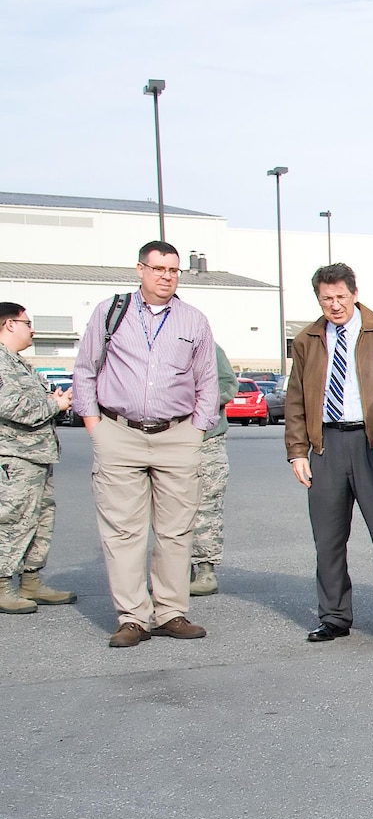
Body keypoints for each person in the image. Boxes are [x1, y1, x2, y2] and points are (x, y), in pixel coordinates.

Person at [71, 240, 219, 648]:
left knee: (175, 530)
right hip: (119, 433)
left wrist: (196, 430)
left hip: (177, 435)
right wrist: (95, 426)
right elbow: (86, 370)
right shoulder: (110, 312)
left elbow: (207, 381)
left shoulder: (193, 320)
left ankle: (171, 612)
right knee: (123, 531)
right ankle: (133, 617)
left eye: (173, 270)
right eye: (158, 269)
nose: (166, 277)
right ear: (141, 270)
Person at [286, 263, 373, 645]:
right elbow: (296, 399)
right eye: (326, 298)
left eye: (340, 297)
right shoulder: (306, 340)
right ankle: (333, 616)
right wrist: (297, 451)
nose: (334, 305)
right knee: (328, 538)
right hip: (326, 445)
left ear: (354, 293)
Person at [0, 304, 76, 613]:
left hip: (36, 455)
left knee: (40, 519)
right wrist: (53, 405)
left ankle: (31, 580)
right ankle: (2, 585)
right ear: (8, 324)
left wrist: (52, 400)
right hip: (15, 456)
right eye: (26, 323)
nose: (32, 329)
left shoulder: (18, 363)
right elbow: (11, 406)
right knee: (12, 519)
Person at [188, 344, 236, 598]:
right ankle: (174, 571)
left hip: (207, 438)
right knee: (166, 508)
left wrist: (197, 403)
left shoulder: (206, 346)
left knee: (206, 506)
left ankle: (205, 569)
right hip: (165, 438)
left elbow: (229, 384)